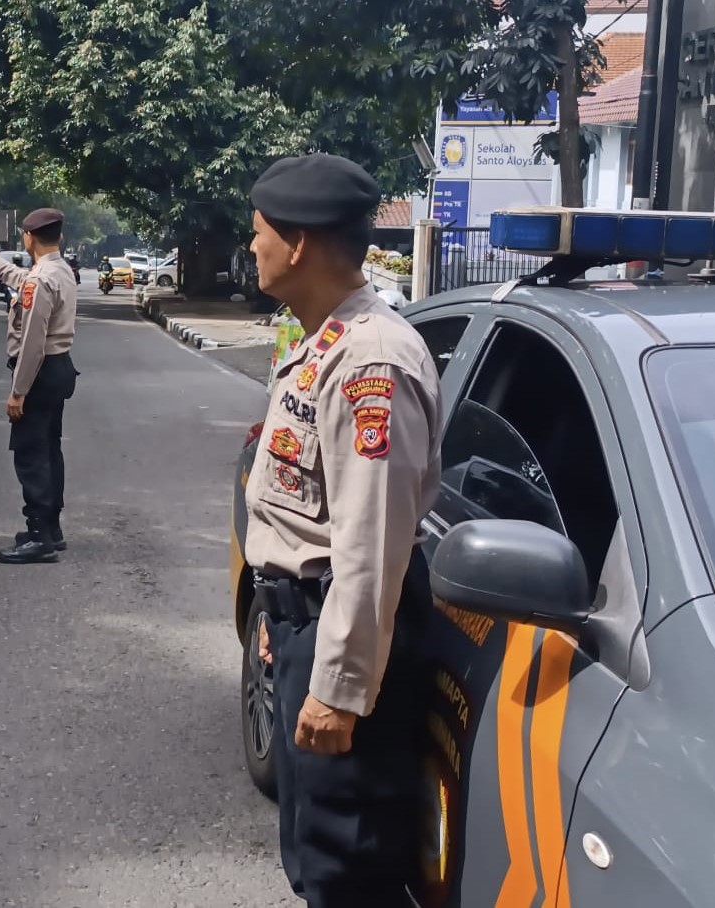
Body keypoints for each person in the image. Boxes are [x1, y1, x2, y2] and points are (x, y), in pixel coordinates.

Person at [241, 153, 442, 907]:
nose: (250, 244)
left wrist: (341, 688)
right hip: (308, 626)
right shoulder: (323, 338)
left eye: (258, 232)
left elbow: (370, 541)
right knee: (313, 855)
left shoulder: (371, 361)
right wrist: (276, 614)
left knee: (347, 873)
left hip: (344, 639)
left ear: (298, 245)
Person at [0, 208, 78, 564]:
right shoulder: (59, 270)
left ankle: (38, 538)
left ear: (29, 238)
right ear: (59, 238)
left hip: (40, 371)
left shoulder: (40, 279)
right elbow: (21, 278)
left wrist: (18, 392)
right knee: (50, 449)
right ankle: (51, 528)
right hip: (59, 367)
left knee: (31, 455)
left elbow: (32, 343)